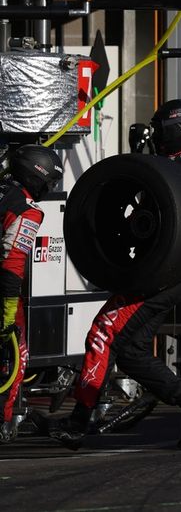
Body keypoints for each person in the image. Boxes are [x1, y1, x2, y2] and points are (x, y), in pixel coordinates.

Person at [50, 100, 181, 450]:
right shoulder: (157, 166)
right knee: (130, 351)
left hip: (169, 273)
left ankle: (80, 419)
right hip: (151, 271)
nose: (153, 131)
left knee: (103, 332)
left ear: (177, 127)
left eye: (158, 126)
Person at [0, 145, 63, 444]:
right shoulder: (27, 209)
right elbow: (12, 261)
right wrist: (9, 309)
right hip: (3, 291)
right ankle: (3, 420)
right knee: (14, 357)